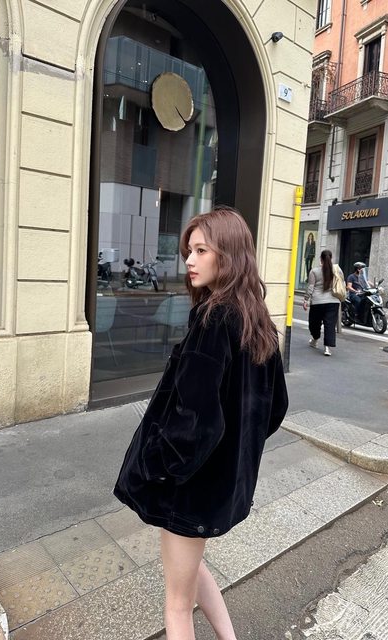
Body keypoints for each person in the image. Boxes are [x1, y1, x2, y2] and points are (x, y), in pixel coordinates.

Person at [114, 207, 288, 640]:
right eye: (189, 251)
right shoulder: (258, 321)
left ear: (228, 255)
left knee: (176, 606)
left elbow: (196, 424)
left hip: (190, 488)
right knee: (191, 569)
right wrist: (236, 450)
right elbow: (275, 408)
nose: (189, 261)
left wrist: (156, 465)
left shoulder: (213, 321)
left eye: (201, 251)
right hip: (218, 485)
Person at [303, 249, 344, 356]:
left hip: (317, 302)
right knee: (330, 324)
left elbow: (310, 287)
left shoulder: (314, 271)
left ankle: (315, 339)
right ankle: (327, 348)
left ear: (320, 259)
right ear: (331, 258)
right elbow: (342, 283)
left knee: (314, 323)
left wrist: (306, 299)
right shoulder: (337, 270)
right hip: (333, 301)